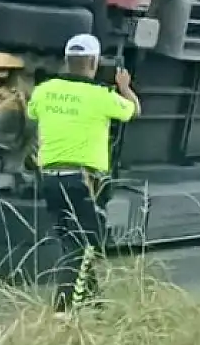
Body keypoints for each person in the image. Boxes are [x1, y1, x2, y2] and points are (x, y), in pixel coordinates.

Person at [25, 33, 141, 313]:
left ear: (67, 61)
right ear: (93, 61)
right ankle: (63, 311)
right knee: (87, 244)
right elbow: (134, 111)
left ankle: (94, 304)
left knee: (71, 241)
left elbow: (32, 113)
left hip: (50, 179)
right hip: (83, 181)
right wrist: (124, 86)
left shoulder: (44, 90)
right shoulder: (102, 96)